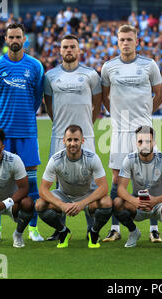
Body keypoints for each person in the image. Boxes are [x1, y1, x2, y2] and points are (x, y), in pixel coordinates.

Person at [101, 24, 162, 243]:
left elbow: (160, 94)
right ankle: (115, 228)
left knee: (150, 179)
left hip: (144, 131)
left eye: (129, 39)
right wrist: (118, 117)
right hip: (119, 131)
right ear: (117, 42)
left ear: (137, 41)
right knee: (117, 179)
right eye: (122, 40)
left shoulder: (149, 65)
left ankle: (153, 228)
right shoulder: (109, 67)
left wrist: (145, 115)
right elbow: (105, 96)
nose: (125, 43)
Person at [0, 23, 45, 243]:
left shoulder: (36, 66)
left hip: (27, 132)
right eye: (11, 36)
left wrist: (25, 113)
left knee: (30, 183)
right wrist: (3, 115)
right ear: (6, 39)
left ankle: (33, 229)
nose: (15, 40)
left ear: (24, 39)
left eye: (18, 36)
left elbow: (37, 98)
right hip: (2, 134)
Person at [43, 34, 102, 241]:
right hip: (59, 136)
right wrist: (60, 123)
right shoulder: (50, 75)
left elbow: (98, 101)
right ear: (60, 51)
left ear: (79, 50)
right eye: (65, 47)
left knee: (91, 181)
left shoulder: (91, 74)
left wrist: (87, 124)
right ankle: (61, 229)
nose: (69, 50)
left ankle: (91, 228)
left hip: (86, 136)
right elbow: (49, 104)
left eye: (72, 47)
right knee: (59, 182)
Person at [36, 125, 112, 248]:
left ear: (82, 141)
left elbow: (104, 187)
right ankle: (63, 231)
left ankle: (94, 232)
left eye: (76, 140)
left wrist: (82, 203)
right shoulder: (56, 160)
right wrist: (62, 205)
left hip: (86, 195)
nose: (72, 143)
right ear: (63, 141)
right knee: (39, 205)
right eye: (69, 140)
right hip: (64, 196)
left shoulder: (92, 158)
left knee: (107, 202)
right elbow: (43, 190)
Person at [113, 126, 162, 248]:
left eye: (148, 141)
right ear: (136, 143)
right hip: (138, 204)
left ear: (154, 142)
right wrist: (134, 201)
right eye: (140, 141)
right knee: (117, 202)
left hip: (160, 205)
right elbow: (121, 189)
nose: (144, 145)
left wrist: (156, 200)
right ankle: (133, 232)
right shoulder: (129, 159)